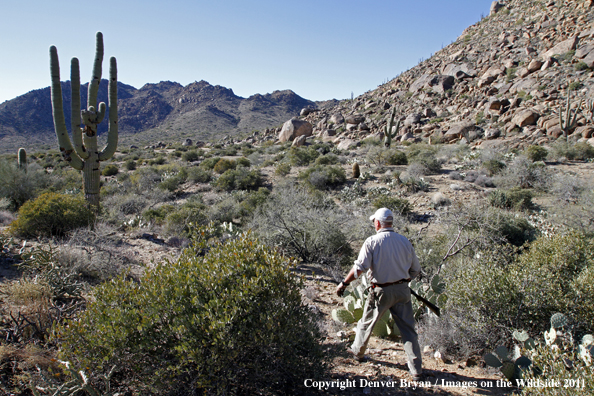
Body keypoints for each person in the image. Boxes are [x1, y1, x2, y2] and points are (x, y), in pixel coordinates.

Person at [336, 207, 423, 380]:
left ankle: (357, 353)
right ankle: (416, 370)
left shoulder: (372, 242)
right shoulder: (404, 241)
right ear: (390, 222)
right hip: (403, 291)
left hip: (380, 291)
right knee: (408, 331)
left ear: (377, 223)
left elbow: (359, 268)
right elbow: (416, 269)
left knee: (366, 322)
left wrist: (344, 283)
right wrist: (403, 281)